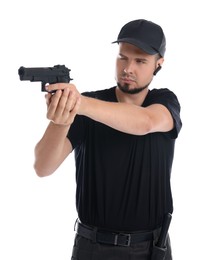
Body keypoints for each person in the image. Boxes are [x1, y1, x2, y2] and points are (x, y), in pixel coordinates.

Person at [34, 19, 182, 260]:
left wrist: (78, 102)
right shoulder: (88, 107)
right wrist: (62, 119)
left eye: (140, 61)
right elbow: (42, 166)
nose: (128, 68)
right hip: (91, 247)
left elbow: (144, 123)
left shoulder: (164, 102)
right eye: (122, 57)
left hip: (150, 248)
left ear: (158, 64)